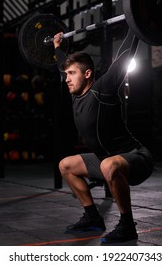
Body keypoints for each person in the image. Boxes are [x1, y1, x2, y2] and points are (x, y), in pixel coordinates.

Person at [53, 29, 153, 244]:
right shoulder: (76, 93)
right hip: (104, 160)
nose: (67, 79)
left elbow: (125, 54)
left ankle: (127, 225)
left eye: (72, 74)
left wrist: (135, 24)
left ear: (87, 74)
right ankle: (92, 216)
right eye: (66, 74)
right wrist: (58, 47)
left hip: (135, 158)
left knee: (109, 164)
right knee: (66, 165)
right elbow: (62, 63)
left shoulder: (103, 89)